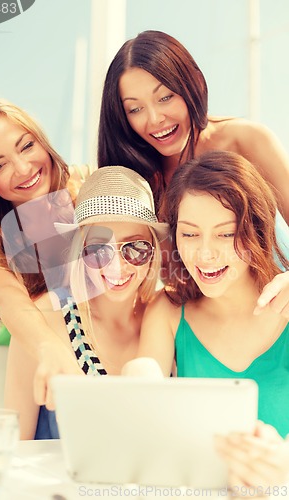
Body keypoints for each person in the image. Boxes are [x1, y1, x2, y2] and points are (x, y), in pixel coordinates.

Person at [123, 150, 289, 489]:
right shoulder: (168, 310)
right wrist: (137, 376)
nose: (205, 253)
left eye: (226, 234)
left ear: (257, 230)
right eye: (189, 233)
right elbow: (144, 403)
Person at [97, 29, 289, 316]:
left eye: (165, 97)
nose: (154, 119)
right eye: (135, 109)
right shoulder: (135, 181)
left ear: (194, 83)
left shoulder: (246, 140)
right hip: (206, 329)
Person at [4, 166, 168, 439]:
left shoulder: (166, 316)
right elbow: (15, 446)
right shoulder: (44, 319)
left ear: (153, 250)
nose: (117, 268)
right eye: (97, 249)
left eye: (136, 248)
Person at [0, 98, 92, 409]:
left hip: (101, 352)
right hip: (30, 358)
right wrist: (48, 349)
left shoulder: (86, 189)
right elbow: (8, 299)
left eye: (27, 146)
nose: (23, 168)